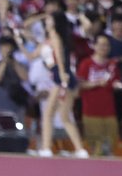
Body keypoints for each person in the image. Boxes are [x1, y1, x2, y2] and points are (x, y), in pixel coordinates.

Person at [36, 12, 88, 159]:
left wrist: (61, 74)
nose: (46, 21)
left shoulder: (55, 36)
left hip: (60, 78)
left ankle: (46, 148)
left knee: (49, 114)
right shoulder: (53, 38)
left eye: (49, 19)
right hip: (63, 77)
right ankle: (80, 149)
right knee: (64, 116)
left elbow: (59, 56)